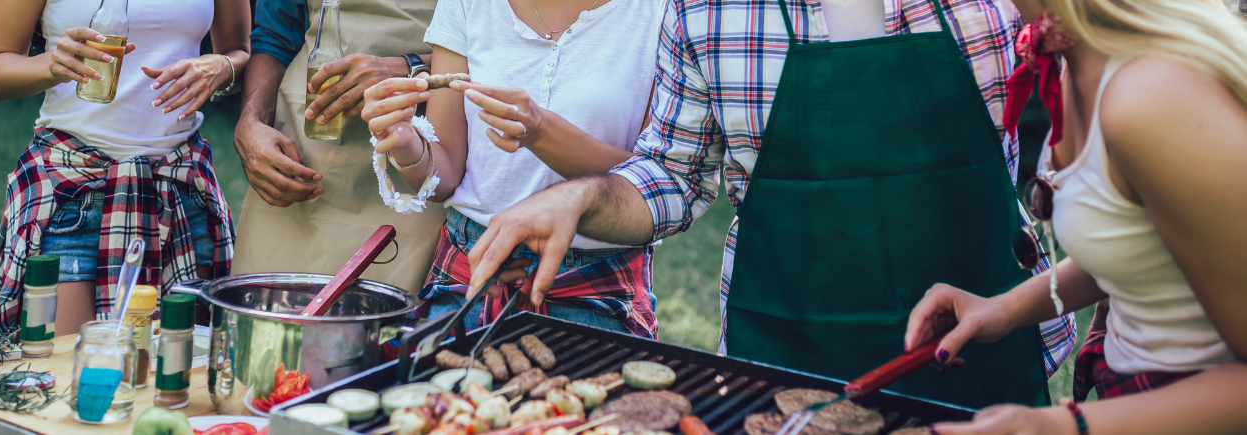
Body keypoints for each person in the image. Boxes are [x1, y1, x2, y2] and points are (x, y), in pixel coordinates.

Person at [459, 0, 1080, 409]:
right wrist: (583, 196)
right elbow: (672, 174)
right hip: (786, 364)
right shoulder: (704, 13)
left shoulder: (999, 5)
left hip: (983, 348)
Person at [900, 0, 1247, 433]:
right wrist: (1000, 310)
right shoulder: (1076, 60)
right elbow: (1138, 250)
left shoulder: (1150, 95)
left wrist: (1062, 426)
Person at [357, 0, 663, 336]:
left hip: (593, 291)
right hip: (466, 281)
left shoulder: (665, 13)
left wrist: (540, 131)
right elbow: (445, 177)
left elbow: (656, 182)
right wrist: (405, 141)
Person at [0, 0, 248, 335]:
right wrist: (51, 65)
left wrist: (222, 66)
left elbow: (241, 51)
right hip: (72, 191)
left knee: (177, 372)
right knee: (69, 376)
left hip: (180, 190)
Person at [232, 0, 446, 292]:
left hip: (417, 169)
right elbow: (275, 37)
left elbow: (505, 51)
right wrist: (250, 122)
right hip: (296, 165)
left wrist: (408, 68)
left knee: (390, 333)